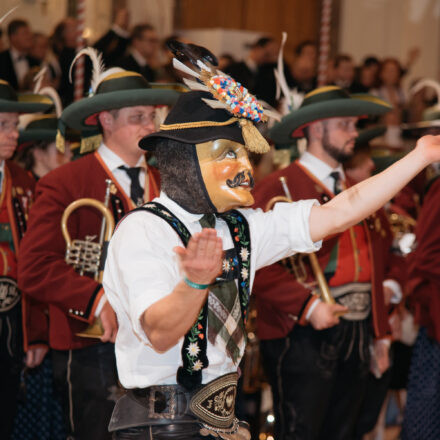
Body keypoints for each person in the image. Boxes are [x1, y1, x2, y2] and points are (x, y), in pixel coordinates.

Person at [102, 43, 440, 440]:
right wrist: (194, 283)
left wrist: (420, 157)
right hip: (159, 426)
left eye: (244, 154)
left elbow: (340, 211)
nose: (246, 168)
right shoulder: (142, 230)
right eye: (229, 153)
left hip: (223, 421)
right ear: (184, 159)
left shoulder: (243, 227)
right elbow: (159, 334)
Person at [17, 50, 180, 440]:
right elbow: (35, 267)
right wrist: (96, 299)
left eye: (152, 115)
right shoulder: (66, 181)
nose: (150, 124)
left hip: (158, 342)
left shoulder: (167, 180)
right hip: (91, 345)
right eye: (137, 118)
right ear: (105, 121)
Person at [252, 86, 404, 440]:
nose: (355, 132)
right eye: (345, 124)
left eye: (354, 125)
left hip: (358, 327)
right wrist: (307, 305)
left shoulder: (358, 187)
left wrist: (380, 328)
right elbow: (251, 263)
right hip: (301, 331)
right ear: (316, 128)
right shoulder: (277, 186)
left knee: (345, 432)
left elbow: (385, 254)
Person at [0, 79, 53, 439]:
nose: (13, 134)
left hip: (10, 326)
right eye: (3, 125)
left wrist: (35, 334)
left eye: (15, 126)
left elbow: (35, 263)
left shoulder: (25, 183)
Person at [0, 19, 40, 91]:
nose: (30, 36)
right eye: (25, 33)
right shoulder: (2, 59)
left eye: (30, 33)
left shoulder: (35, 61)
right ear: (13, 37)